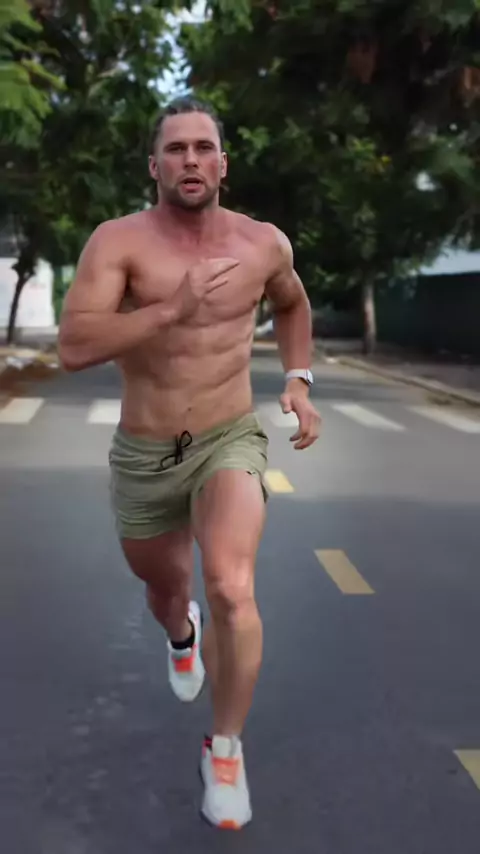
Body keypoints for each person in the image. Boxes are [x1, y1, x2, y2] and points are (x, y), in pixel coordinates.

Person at [58, 97, 321, 830]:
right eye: (176, 149)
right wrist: (169, 310)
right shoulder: (119, 243)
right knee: (166, 589)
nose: (191, 160)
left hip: (226, 438)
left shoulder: (263, 244)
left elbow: (293, 306)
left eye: (204, 147)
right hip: (147, 450)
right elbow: (74, 347)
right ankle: (182, 634)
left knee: (233, 586)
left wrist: (299, 382)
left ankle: (225, 748)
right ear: (155, 166)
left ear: (223, 164)